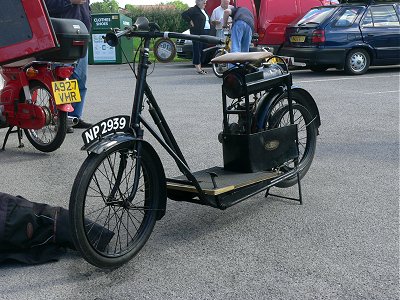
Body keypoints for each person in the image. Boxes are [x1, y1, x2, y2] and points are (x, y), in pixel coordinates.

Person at [44, 0, 92, 133]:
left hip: (81, 35)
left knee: (80, 80)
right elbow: (47, 6)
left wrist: (88, 23)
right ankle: (61, 119)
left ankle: (75, 117)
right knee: (62, 79)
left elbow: (87, 8)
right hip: (63, 35)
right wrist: (69, 1)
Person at [182, 0, 211, 75]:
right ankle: (198, 68)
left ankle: (200, 66)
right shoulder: (193, 9)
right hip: (197, 33)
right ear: (197, 2)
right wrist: (190, 21)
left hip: (205, 32)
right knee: (197, 49)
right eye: (203, 1)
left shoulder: (204, 10)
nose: (205, 2)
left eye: (205, 1)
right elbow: (184, 14)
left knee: (203, 50)